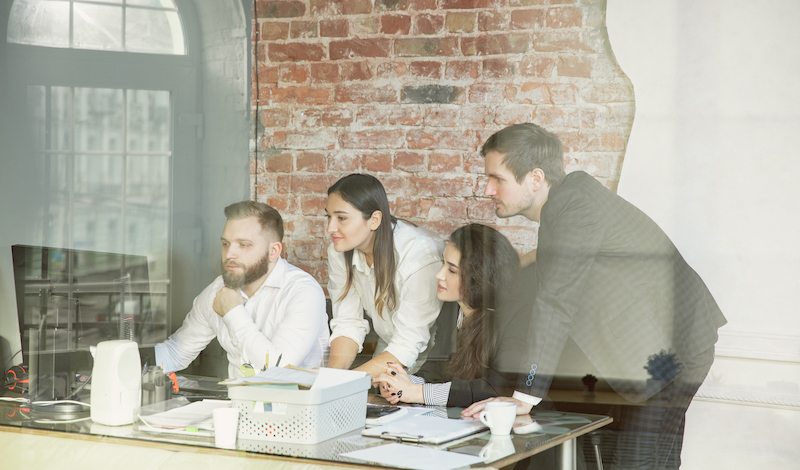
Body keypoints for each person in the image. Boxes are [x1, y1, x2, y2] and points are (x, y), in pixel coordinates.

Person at [462, 123, 727, 469]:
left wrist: (524, 395)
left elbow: (555, 303)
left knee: (637, 463)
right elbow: (573, 254)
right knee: (652, 460)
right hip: (668, 342)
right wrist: (526, 259)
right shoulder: (569, 201)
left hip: (674, 347)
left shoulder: (573, 207)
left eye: (498, 179)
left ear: (536, 178)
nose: (487, 189)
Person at [154, 201, 329, 379]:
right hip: (236, 404)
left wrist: (233, 312)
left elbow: (279, 370)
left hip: (295, 403)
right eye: (225, 244)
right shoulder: (217, 290)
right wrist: (129, 355)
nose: (229, 254)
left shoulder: (304, 292)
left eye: (243, 245)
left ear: (273, 251)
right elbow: (176, 352)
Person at [373, 223, 535, 407]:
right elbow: (438, 370)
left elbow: (497, 387)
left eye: (451, 270)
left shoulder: (516, 316)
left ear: (479, 277)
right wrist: (402, 383)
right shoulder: (452, 308)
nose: (438, 275)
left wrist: (417, 393)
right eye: (443, 263)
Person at [325, 174, 444, 378]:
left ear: (374, 220)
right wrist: (330, 379)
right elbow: (348, 324)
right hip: (386, 357)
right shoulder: (339, 251)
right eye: (328, 216)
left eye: (341, 218)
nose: (330, 228)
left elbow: (408, 341)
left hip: (434, 364)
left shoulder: (419, 257)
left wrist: (342, 384)